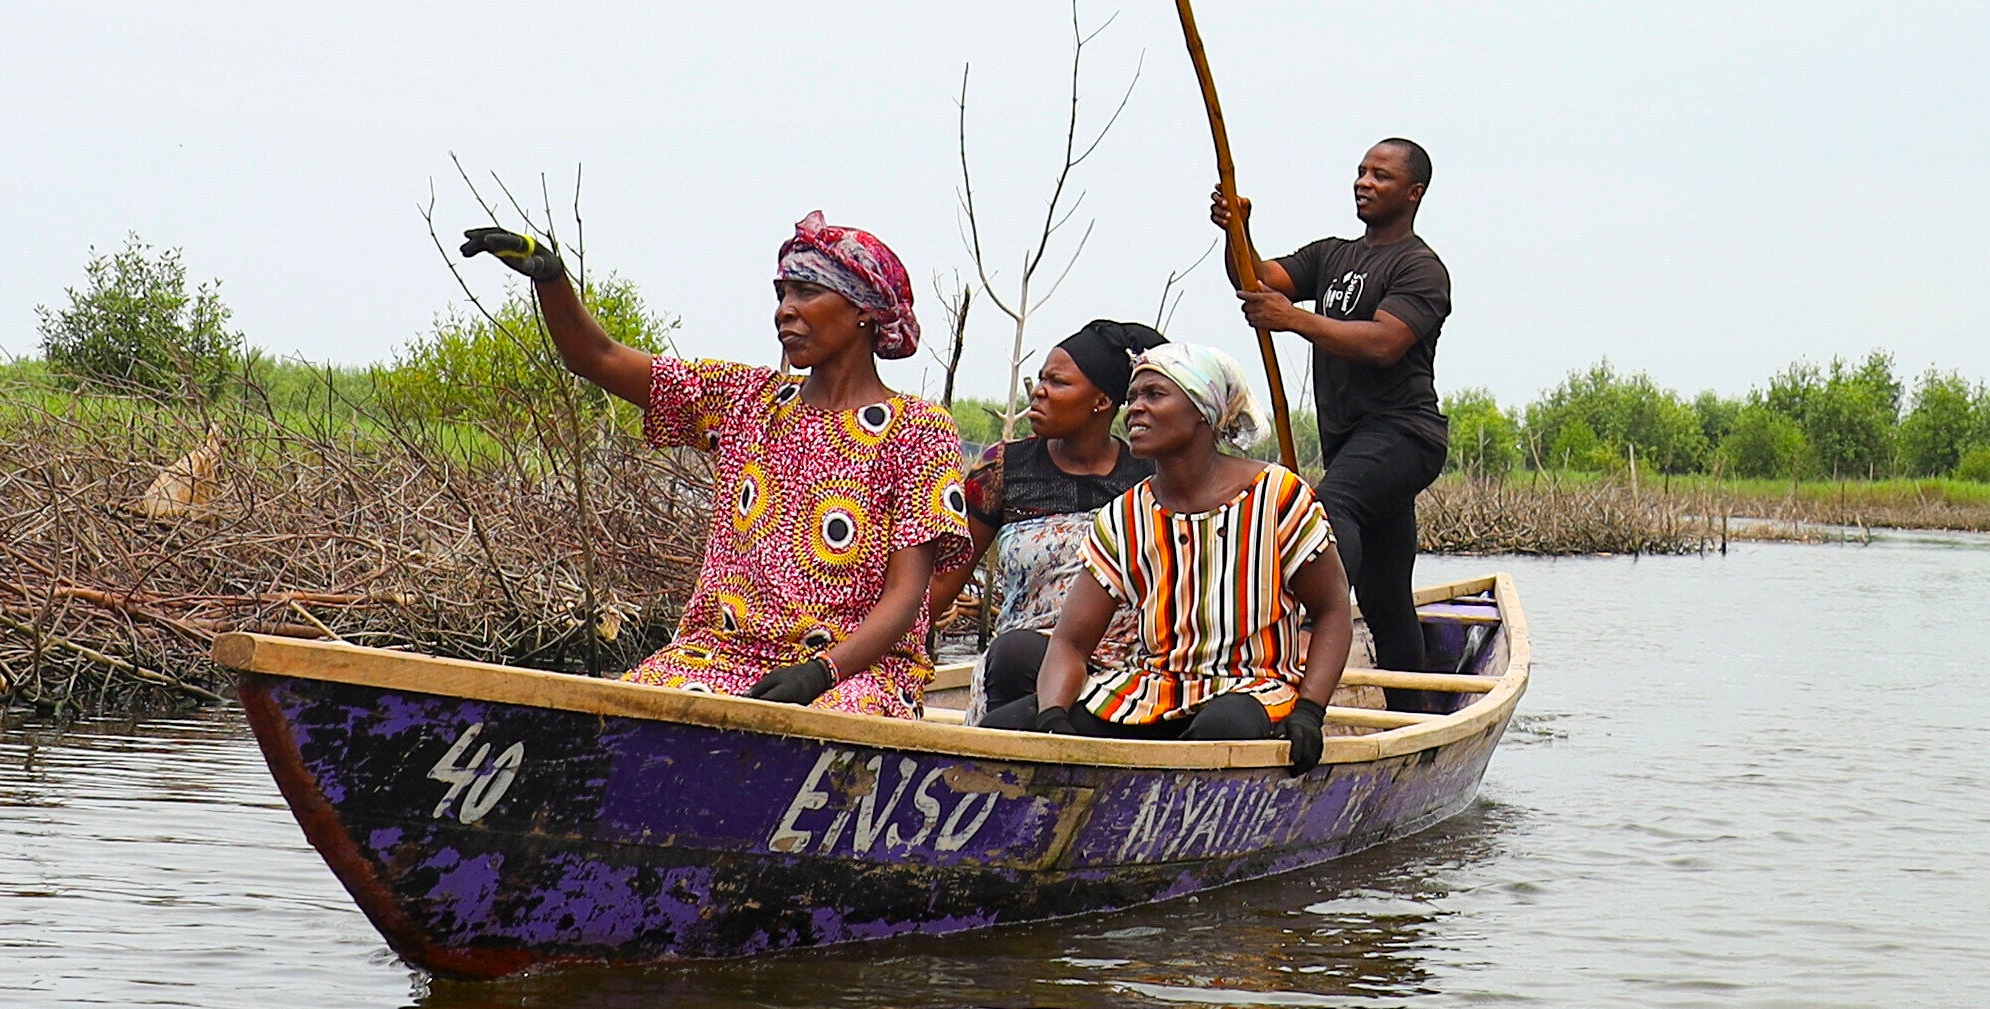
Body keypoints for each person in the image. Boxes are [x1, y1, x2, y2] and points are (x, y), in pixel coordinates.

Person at [458, 213, 968, 714]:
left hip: (855, 672)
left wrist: (821, 673)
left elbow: (907, 596)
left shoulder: (919, 429)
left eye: (807, 292)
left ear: (864, 309)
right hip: (718, 657)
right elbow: (598, 358)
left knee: (822, 722)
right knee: (631, 711)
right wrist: (552, 280)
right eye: (782, 294)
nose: (785, 310)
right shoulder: (746, 400)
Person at [992, 339, 1348, 759]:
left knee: (1224, 727)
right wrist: (1053, 718)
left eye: (1154, 395)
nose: (1134, 409)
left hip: (1255, 687)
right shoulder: (1126, 516)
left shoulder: (1277, 497)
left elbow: (1333, 610)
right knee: (1003, 729)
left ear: (1203, 411)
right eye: (1132, 398)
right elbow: (1070, 643)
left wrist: (1310, 709)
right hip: (1155, 688)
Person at [1223, 138, 1452, 686]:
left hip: (1405, 436)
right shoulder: (1331, 255)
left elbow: (1383, 342)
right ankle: (1411, 712)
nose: (1364, 182)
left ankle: (1302, 629)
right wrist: (1236, 230)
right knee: (1384, 594)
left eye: (1381, 176)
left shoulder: (1421, 268)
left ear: (1414, 193)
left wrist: (1294, 320)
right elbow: (1254, 281)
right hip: (1352, 443)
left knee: (1331, 506)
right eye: (1361, 171)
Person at [953, 315, 1167, 717]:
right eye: (1040, 379)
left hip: (1127, 679)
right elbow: (944, 578)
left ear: (1101, 401)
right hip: (1014, 670)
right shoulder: (1003, 469)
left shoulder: (1151, 478)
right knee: (1017, 654)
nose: (1039, 392)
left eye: (1058, 382)